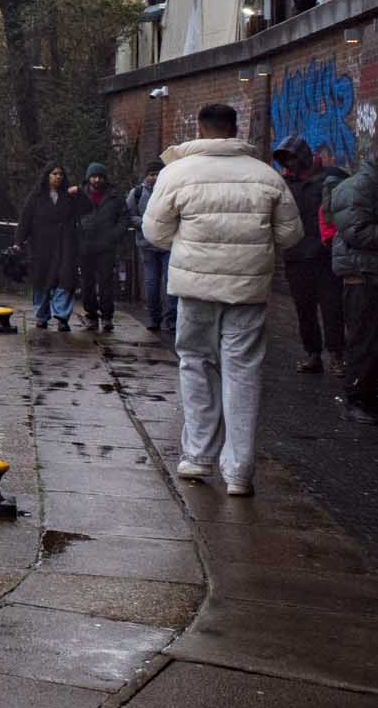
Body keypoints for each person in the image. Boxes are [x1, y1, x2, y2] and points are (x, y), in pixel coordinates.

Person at [141, 102, 302, 497]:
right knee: (243, 372)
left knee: (196, 364)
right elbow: (291, 235)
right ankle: (239, 472)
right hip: (247, 290)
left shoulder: (176, 174)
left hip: (194, 290)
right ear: (236, 129)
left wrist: (189, 247)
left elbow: (154, 233)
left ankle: (197, 456)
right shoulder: (267, 177)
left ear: (199, 128)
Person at [328, 134, 378, 425]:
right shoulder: (359, 186)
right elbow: (358, 234)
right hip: (364, 277)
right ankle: (355, 399)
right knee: (365, 342)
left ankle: (369, 399)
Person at [272, 138, 347, 374]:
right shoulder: (284, 185)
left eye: (293, 158)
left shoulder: (332, 178)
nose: (289, 165)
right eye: (285, 160)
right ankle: (313, 354)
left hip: (325, 257)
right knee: (304, 310)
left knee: (332, 309)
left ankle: (337, 355)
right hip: (296, 257)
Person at [16, 165, 82, 332]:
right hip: (41, 246)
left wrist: (79, 194)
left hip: (64, 245)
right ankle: (41, 315)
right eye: (54, 174)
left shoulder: (69, 196)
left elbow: (86, 209)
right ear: (47, 176)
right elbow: (25, 219)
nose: (58, 177)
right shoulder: (36, 197)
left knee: (65, 280)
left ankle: (61, 316)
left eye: (61, 174)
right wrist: (19, 241)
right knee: (41, 282)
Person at [73, 163, 130, 334]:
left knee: (106, 282)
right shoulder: (79, 195)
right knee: (87, 282)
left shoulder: (115, 196)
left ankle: (107, 316)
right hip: (85, 244)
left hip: (106, 246)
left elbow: (124, 218)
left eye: (100, 176)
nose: (97, 180)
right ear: (88, 178)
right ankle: (91, 315)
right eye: (93, 176)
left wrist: (115, 234)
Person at [127, 167, 175, 340]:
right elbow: (129, 214)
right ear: (145, 175)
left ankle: (171, 319)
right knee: (151, 282)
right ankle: (154, 318)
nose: (154, 177)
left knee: (171, 283)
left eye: (157, 174)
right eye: (151, 174)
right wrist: (147, 223)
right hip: (147, 244)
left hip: (168, 244)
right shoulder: (137, 193)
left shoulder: (171, 190)